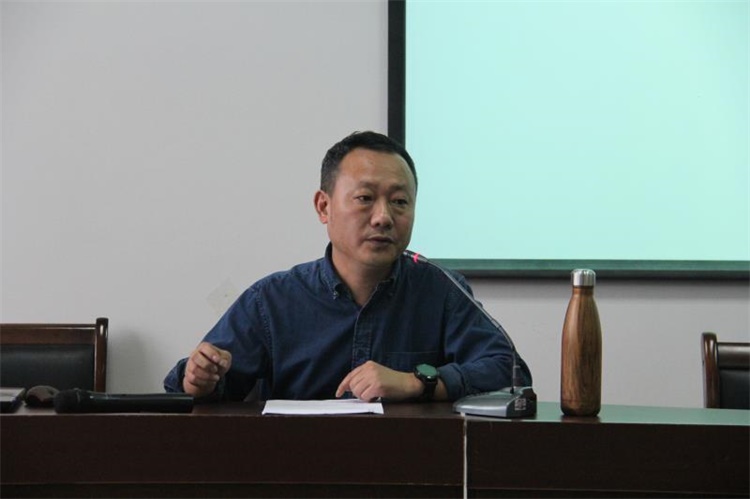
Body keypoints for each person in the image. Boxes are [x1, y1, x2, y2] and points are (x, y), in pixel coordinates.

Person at [164, 131, 531, 402]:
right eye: (365, 198)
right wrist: (199, 380)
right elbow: (195, 385)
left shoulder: (441, 291)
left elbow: (510, 371)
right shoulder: (272, 300)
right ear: (324, 207)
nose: (383, 217)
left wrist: (417, 382)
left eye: (400, 202)